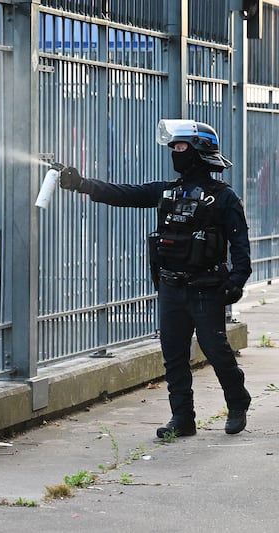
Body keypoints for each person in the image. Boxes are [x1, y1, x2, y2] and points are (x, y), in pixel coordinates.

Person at [58, 119, 251, 437]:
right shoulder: (168, 192)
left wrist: (238, 279)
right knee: (173, 354)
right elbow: (125, 194)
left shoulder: (223, 197)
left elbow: (239, 242)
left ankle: (237, 401)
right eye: (173, 147)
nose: (174, 152)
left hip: (205, 288)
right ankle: (183, 418)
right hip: (171, 286)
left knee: (215, 349)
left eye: (180, 147)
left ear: (198, 150)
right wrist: (82, 184)